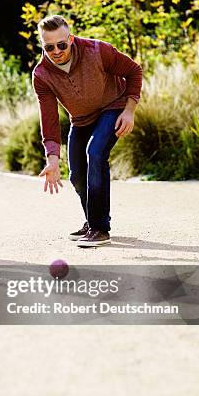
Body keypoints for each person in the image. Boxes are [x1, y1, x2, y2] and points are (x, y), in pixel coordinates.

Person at [33, 15, 142, 247]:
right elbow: (50, 120)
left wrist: (129, 110)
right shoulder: (42, 75)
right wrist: (52, 159)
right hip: (81, 120)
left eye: (62, 44)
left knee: (95, 153)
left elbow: (134, 71)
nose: (56, 51)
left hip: (113, 107)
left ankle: (99, 228)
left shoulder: (97, 50)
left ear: (70, 39)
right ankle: (91, 221)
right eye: (49, 47)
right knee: (76, 175)